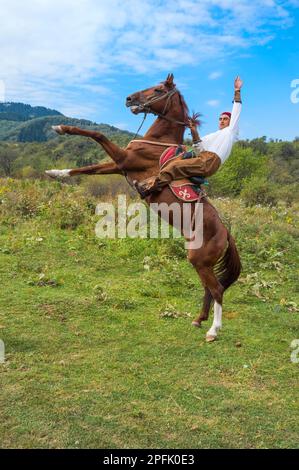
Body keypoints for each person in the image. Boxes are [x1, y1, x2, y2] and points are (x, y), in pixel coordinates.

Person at [135, 76, 243, 198]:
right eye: (220, 119)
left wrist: (237, 91)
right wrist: (193, 131)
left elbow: (237, 110)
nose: (222, 121)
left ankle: (149, 187)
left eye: (225, 119)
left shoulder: (231, 131)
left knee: (175, 166)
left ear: (230, 121)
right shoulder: (213, 135)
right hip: (203, 156)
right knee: (175, 159)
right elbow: (199, 146)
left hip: (211, 161)